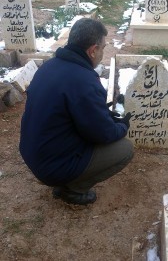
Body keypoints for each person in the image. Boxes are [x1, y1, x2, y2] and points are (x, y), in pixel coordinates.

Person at [19, 18, 134, 206]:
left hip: (34, 154)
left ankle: (64, 178)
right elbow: (102, 134)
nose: (103, 52)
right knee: (125, 149)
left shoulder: (49, 66)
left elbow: (69, 111)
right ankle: (73, 188)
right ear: (92, 50)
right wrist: (122, 126)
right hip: (51, 165)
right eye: (103, 48)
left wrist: (103, 114)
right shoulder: (84, 80)